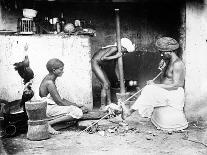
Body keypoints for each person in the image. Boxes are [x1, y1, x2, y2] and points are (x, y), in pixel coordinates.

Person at [121, 37, 188, 131]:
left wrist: (155, 86)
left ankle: (129, 112)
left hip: (174, 94)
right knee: (147, 88)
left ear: (170, 51)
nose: (161, 54)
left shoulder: (178, 64)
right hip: (167, 92)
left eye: (163, 52)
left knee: (149, 90)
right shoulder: (168, 61)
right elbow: (164, 79)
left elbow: (177, 85)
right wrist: (161, 70)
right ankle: (130, 111)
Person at [39, 58, 88, 134]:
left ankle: (53, 124)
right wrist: (78, 107)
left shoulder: (51, 79)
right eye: (61, 69)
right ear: (54, 70)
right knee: (77, 112)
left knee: (76, 109)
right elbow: (60, 102)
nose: (63, 71)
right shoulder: (50, 83)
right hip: (48, 109)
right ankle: (48, 124)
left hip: (50, 107)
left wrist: (77, 105)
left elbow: (62, 99)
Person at [91, 38, 135, 111]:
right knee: (105, 84)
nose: (125, 53)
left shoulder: (117, 51)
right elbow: (103, 58)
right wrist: (116, 56)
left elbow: (115, 67)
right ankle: (102, 106)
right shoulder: (114, 48)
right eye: (125, 51)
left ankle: (109, 104)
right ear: (123, 47)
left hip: (99, 64)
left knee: (108, 84)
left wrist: (119, 79)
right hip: (95, 63)